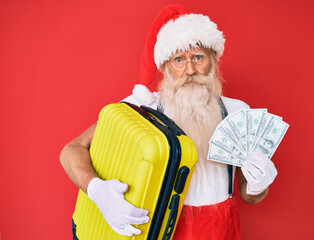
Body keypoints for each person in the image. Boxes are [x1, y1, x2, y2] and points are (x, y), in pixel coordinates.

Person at [60, 4, 278, 239]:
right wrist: (98, 191)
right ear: (165, 66)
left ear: (213, 60)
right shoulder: (141, 109)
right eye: (178, 60)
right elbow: (71, 150)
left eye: (198, 57)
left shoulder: (237, 113)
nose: (190, 70)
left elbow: (249, 196)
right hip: (160, 229)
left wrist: (259, 186)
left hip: (219, 232)